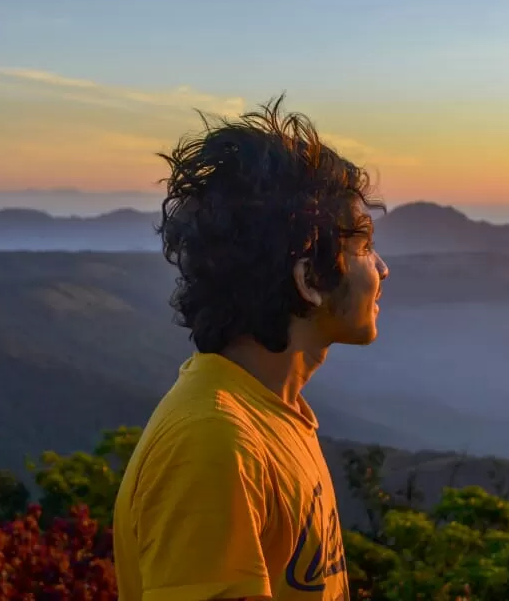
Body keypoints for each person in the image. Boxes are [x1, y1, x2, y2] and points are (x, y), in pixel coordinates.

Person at [112, 97, 390, 601]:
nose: (382, 269)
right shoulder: (213, 443)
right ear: (310, 280)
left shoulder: (271, 414)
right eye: (365, 247)